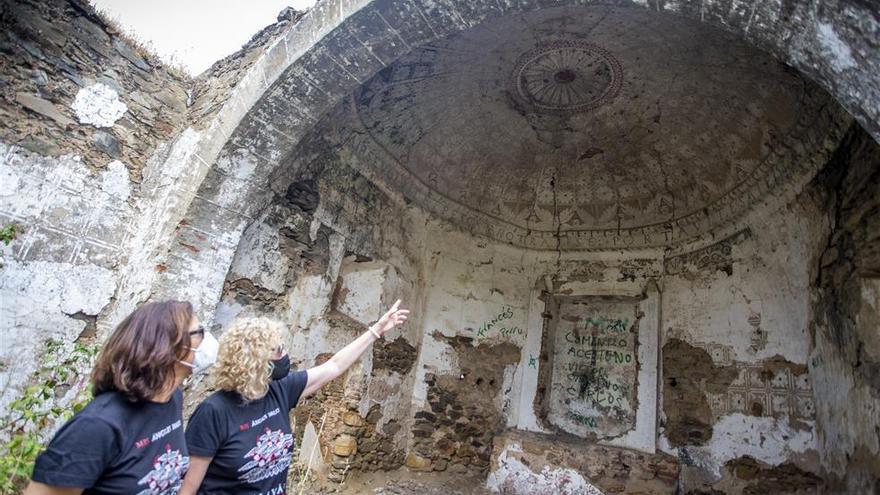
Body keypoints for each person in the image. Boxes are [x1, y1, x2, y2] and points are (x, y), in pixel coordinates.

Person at [179, 300, 409, 495]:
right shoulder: (213, 412)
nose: (285, 354)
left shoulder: (280, 390)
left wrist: (377, 330)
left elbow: (335, 366)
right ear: (256, 361)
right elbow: (189, 486)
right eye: (278, 350)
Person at [24, 300, 220, 495]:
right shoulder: (96, 426)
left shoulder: (172, 398)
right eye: (198, 332)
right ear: (166, 347)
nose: (206, 339)